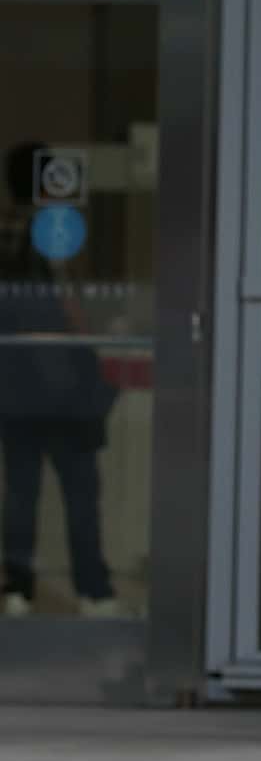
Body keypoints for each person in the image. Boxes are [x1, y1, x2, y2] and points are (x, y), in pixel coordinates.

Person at [0, 142, 121, 621]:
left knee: (23, 494)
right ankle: (93, 590)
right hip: (63, 388)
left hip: (17, 386)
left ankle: (19, 589)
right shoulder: (53, 235)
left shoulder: (14, 233)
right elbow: (71, 311)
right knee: (79, 495)